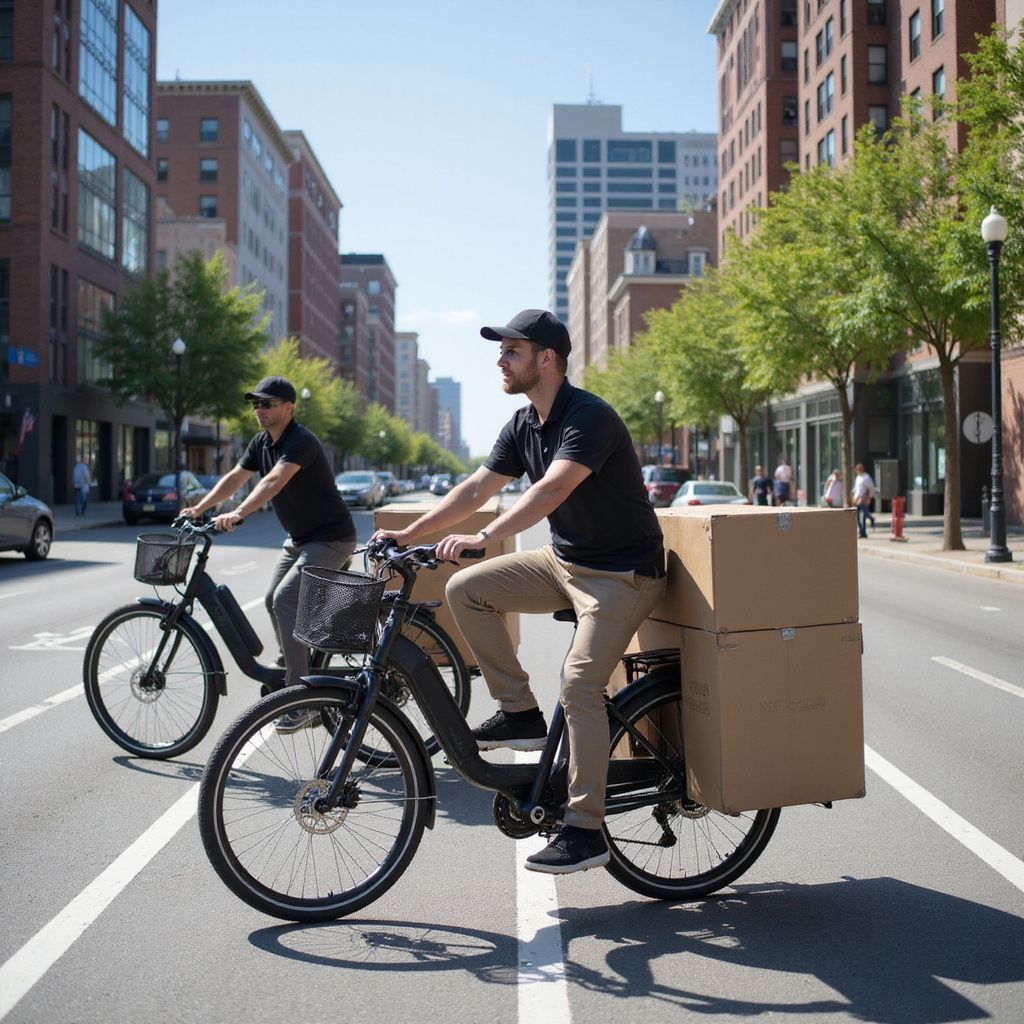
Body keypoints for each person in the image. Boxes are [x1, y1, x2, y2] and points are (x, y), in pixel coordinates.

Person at [374, 309, 666, 876]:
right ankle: (520, 713)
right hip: (565, 562)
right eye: (501, 351)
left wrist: (485, 536)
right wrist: (410, 533)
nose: (500, 360)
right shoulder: (523, 422)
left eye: (511, 350)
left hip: (622, 574)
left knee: (581, 683)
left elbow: (554, 488)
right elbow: (478, 486)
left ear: (546, 359)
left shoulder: (589, 418)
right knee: (466, 591)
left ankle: (586, 829)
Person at [183, 376, 357, 729]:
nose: (259, 410)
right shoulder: (260, 442)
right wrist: (199, 508)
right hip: (299, 539)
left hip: (331, 538)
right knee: (270, 600)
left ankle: (301, 698)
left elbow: (273, 481)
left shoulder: (301, 441)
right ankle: (295, 665)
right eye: (256, 404)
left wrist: (239, 513)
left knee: (285, 600)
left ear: (289, 407)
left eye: (267, 404)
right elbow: (236, 477)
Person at [851, 463, 876, 538]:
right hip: (856, 498)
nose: (857, 470)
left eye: (858, 469)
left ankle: (863, 531)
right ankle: (863, 529)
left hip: (863, 498)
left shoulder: (866, 477)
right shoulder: (858, 477)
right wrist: (852, 494)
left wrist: (869, 498)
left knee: (863, 515)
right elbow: (856, 488)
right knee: (858, 515)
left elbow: (871, 488)